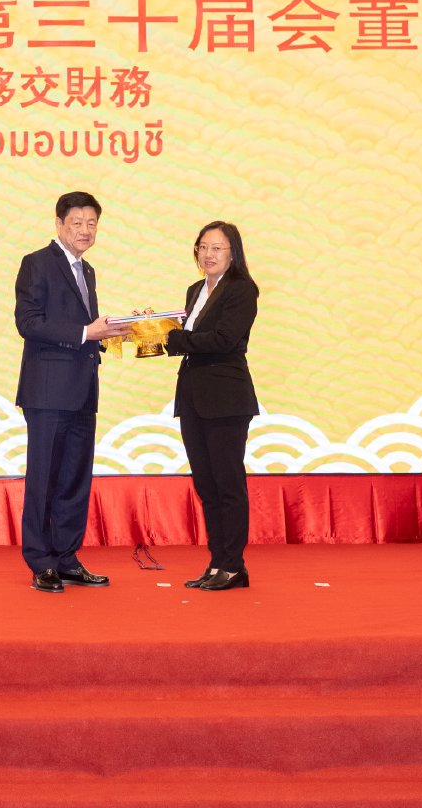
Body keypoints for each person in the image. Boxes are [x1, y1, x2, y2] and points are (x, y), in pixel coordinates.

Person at [14, 192, 126, 593]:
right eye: (77, 222)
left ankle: (66, 558)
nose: (85, 230)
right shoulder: (37, 263)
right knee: (44, 479)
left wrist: (108, 334)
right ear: (59, 224)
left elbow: (85, 332)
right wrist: (84, 332)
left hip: (82, 391)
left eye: (92, 223)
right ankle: (40, 562)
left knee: (75, 479)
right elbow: (28, 322)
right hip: (47, 393)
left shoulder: (87, 270)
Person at [165, 221, 260, 591]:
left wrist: (176, 339)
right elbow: (190, 337)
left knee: (228, 484)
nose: (208, 254)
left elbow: (223, 339)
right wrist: (156, 332)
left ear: (233, 253)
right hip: (193, 398)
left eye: (217, 248)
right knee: (206, 484)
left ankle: (234, 566)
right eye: (203, 247)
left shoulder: (242, 289)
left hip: (226, 399)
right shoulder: (195, 289)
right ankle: (217, 562)